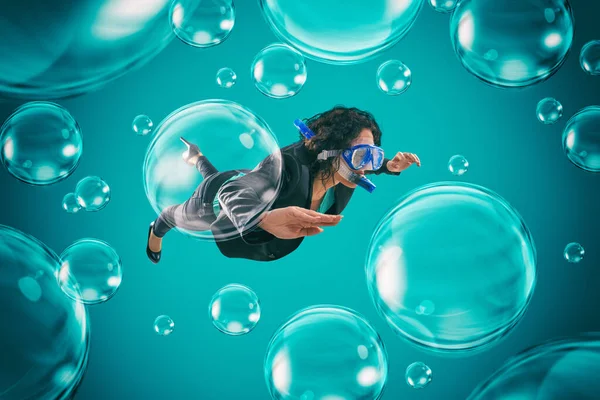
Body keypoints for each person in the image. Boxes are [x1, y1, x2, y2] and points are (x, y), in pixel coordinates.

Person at [146, 106, 420, 263]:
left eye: (373, 157)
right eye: (362, 155)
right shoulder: (288, 166)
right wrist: (262, 219)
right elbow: (230, 192)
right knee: (179, 213)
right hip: (215, 205)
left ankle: (198, 158)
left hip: (246, 176)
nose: (365, 166)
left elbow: (362, 163)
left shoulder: (341, 176)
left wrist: (389, 166)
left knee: (211, 172)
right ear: (330, 149)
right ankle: (155, 230)